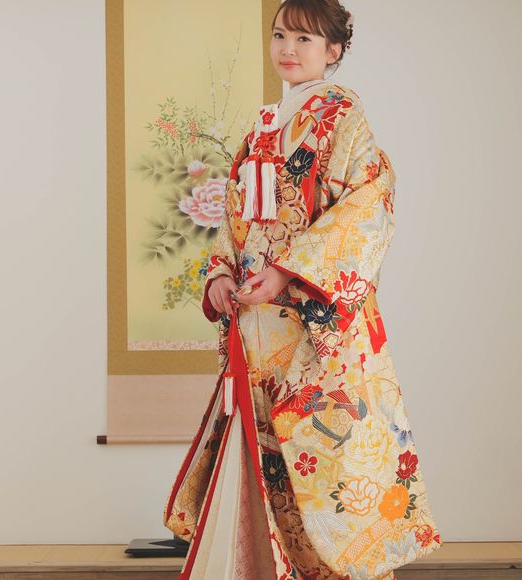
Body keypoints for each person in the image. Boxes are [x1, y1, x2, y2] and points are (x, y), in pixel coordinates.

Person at [163, 1, 443, 578]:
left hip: (311, 323)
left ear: (334, 50)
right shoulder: (263, 125)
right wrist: (221, 274)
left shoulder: (342, 116)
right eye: (280, 35)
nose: (288, 49)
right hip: (257, 322)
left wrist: (289, 273)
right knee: (260, 455)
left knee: (321, 462)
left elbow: (370, 203)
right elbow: (236, 218)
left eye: (305, 39)